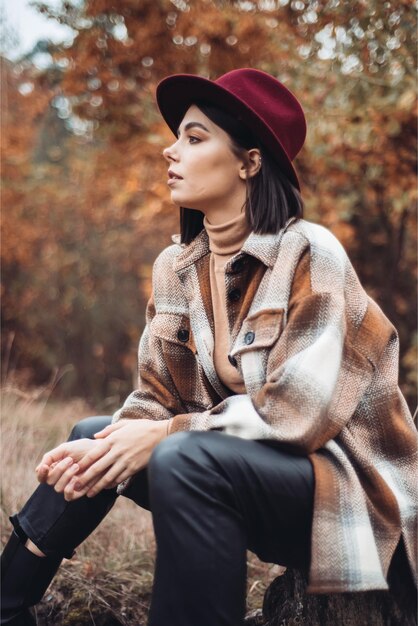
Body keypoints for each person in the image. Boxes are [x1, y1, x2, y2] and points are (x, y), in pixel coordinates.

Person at [1, 68, 417, 626]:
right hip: (253, 477)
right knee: (93, 437)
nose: (171, 150)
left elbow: (300, 414)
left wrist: (165, 434)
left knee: (181, 451)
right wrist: (108, 445)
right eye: (178, 137)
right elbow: (155, 398)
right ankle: (8, 603)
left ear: (249, 162)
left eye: (195, 139)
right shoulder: (177, 267)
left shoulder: (310, 255)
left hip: (351, 501)